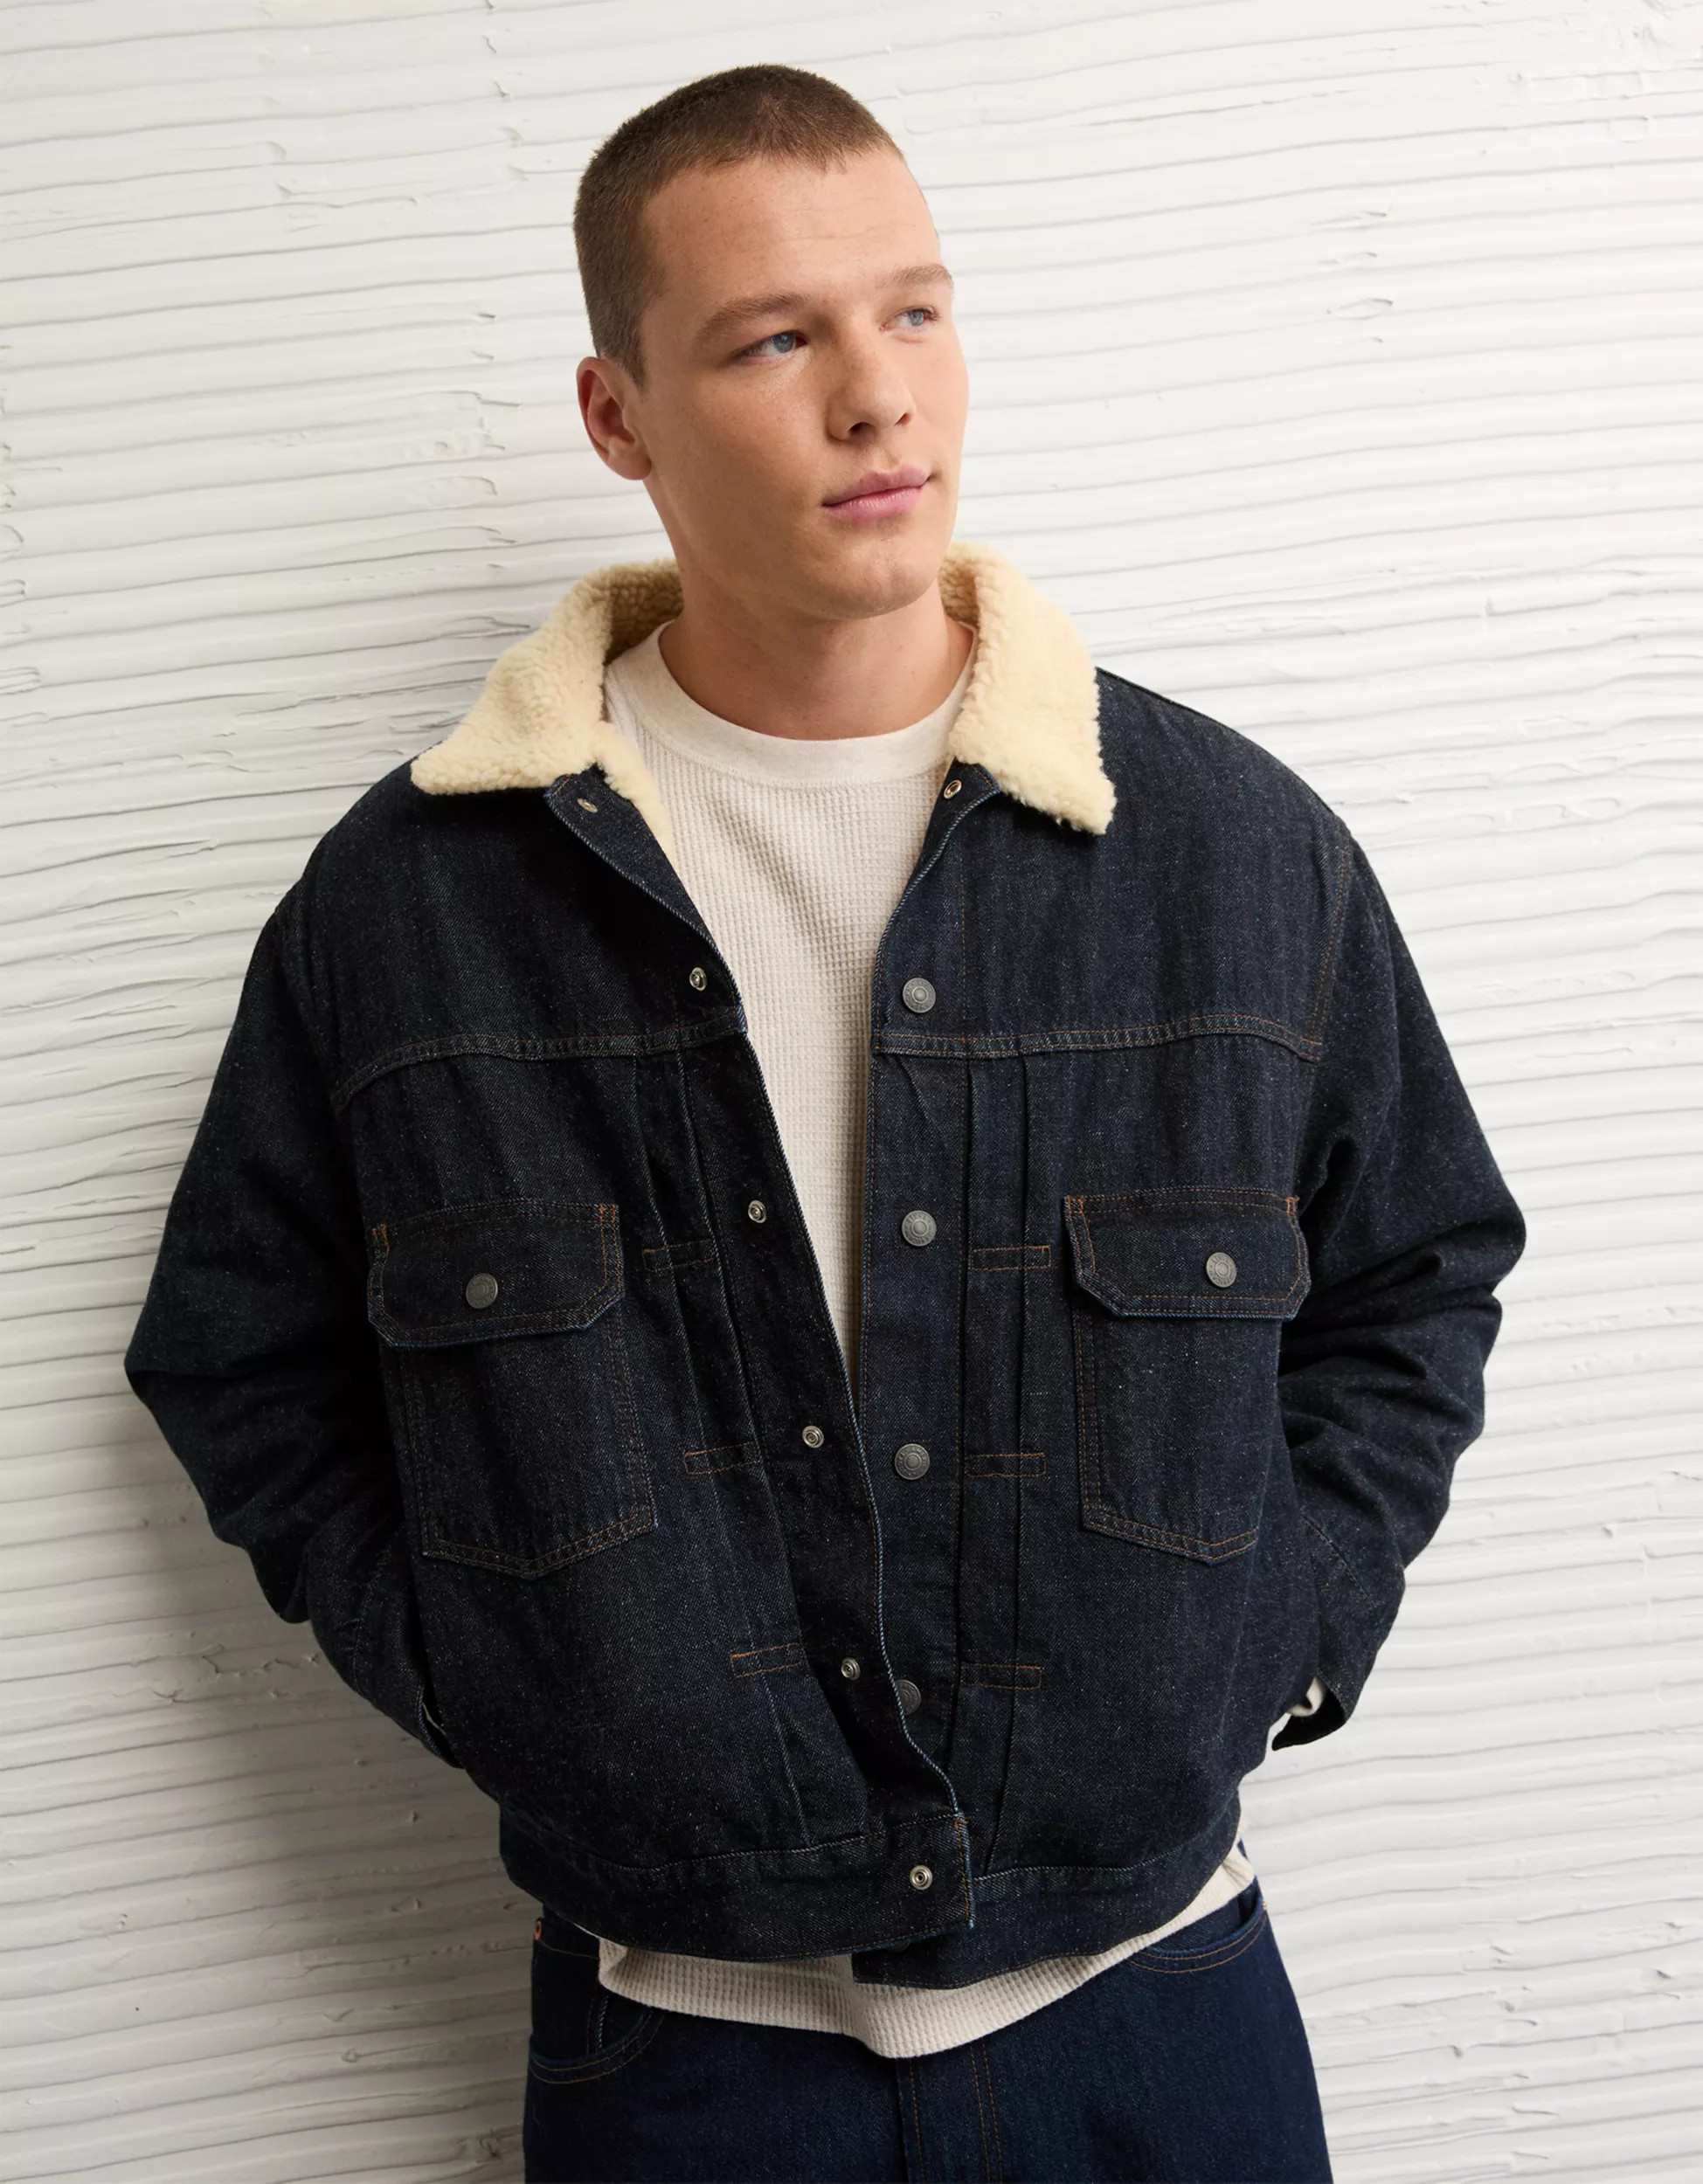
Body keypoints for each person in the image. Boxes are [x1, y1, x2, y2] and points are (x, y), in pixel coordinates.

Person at [122, 62, 1525, 2184]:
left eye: (915, 311)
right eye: (775, 339)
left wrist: (1279, 1630)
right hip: (684, 2062)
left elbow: (1418, 1272)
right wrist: (514, 1679)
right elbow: (240, 1356)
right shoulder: (413, 912)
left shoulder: (1231, 856)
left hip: (1160, 2018)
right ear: (620, 416)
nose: (881, 398)